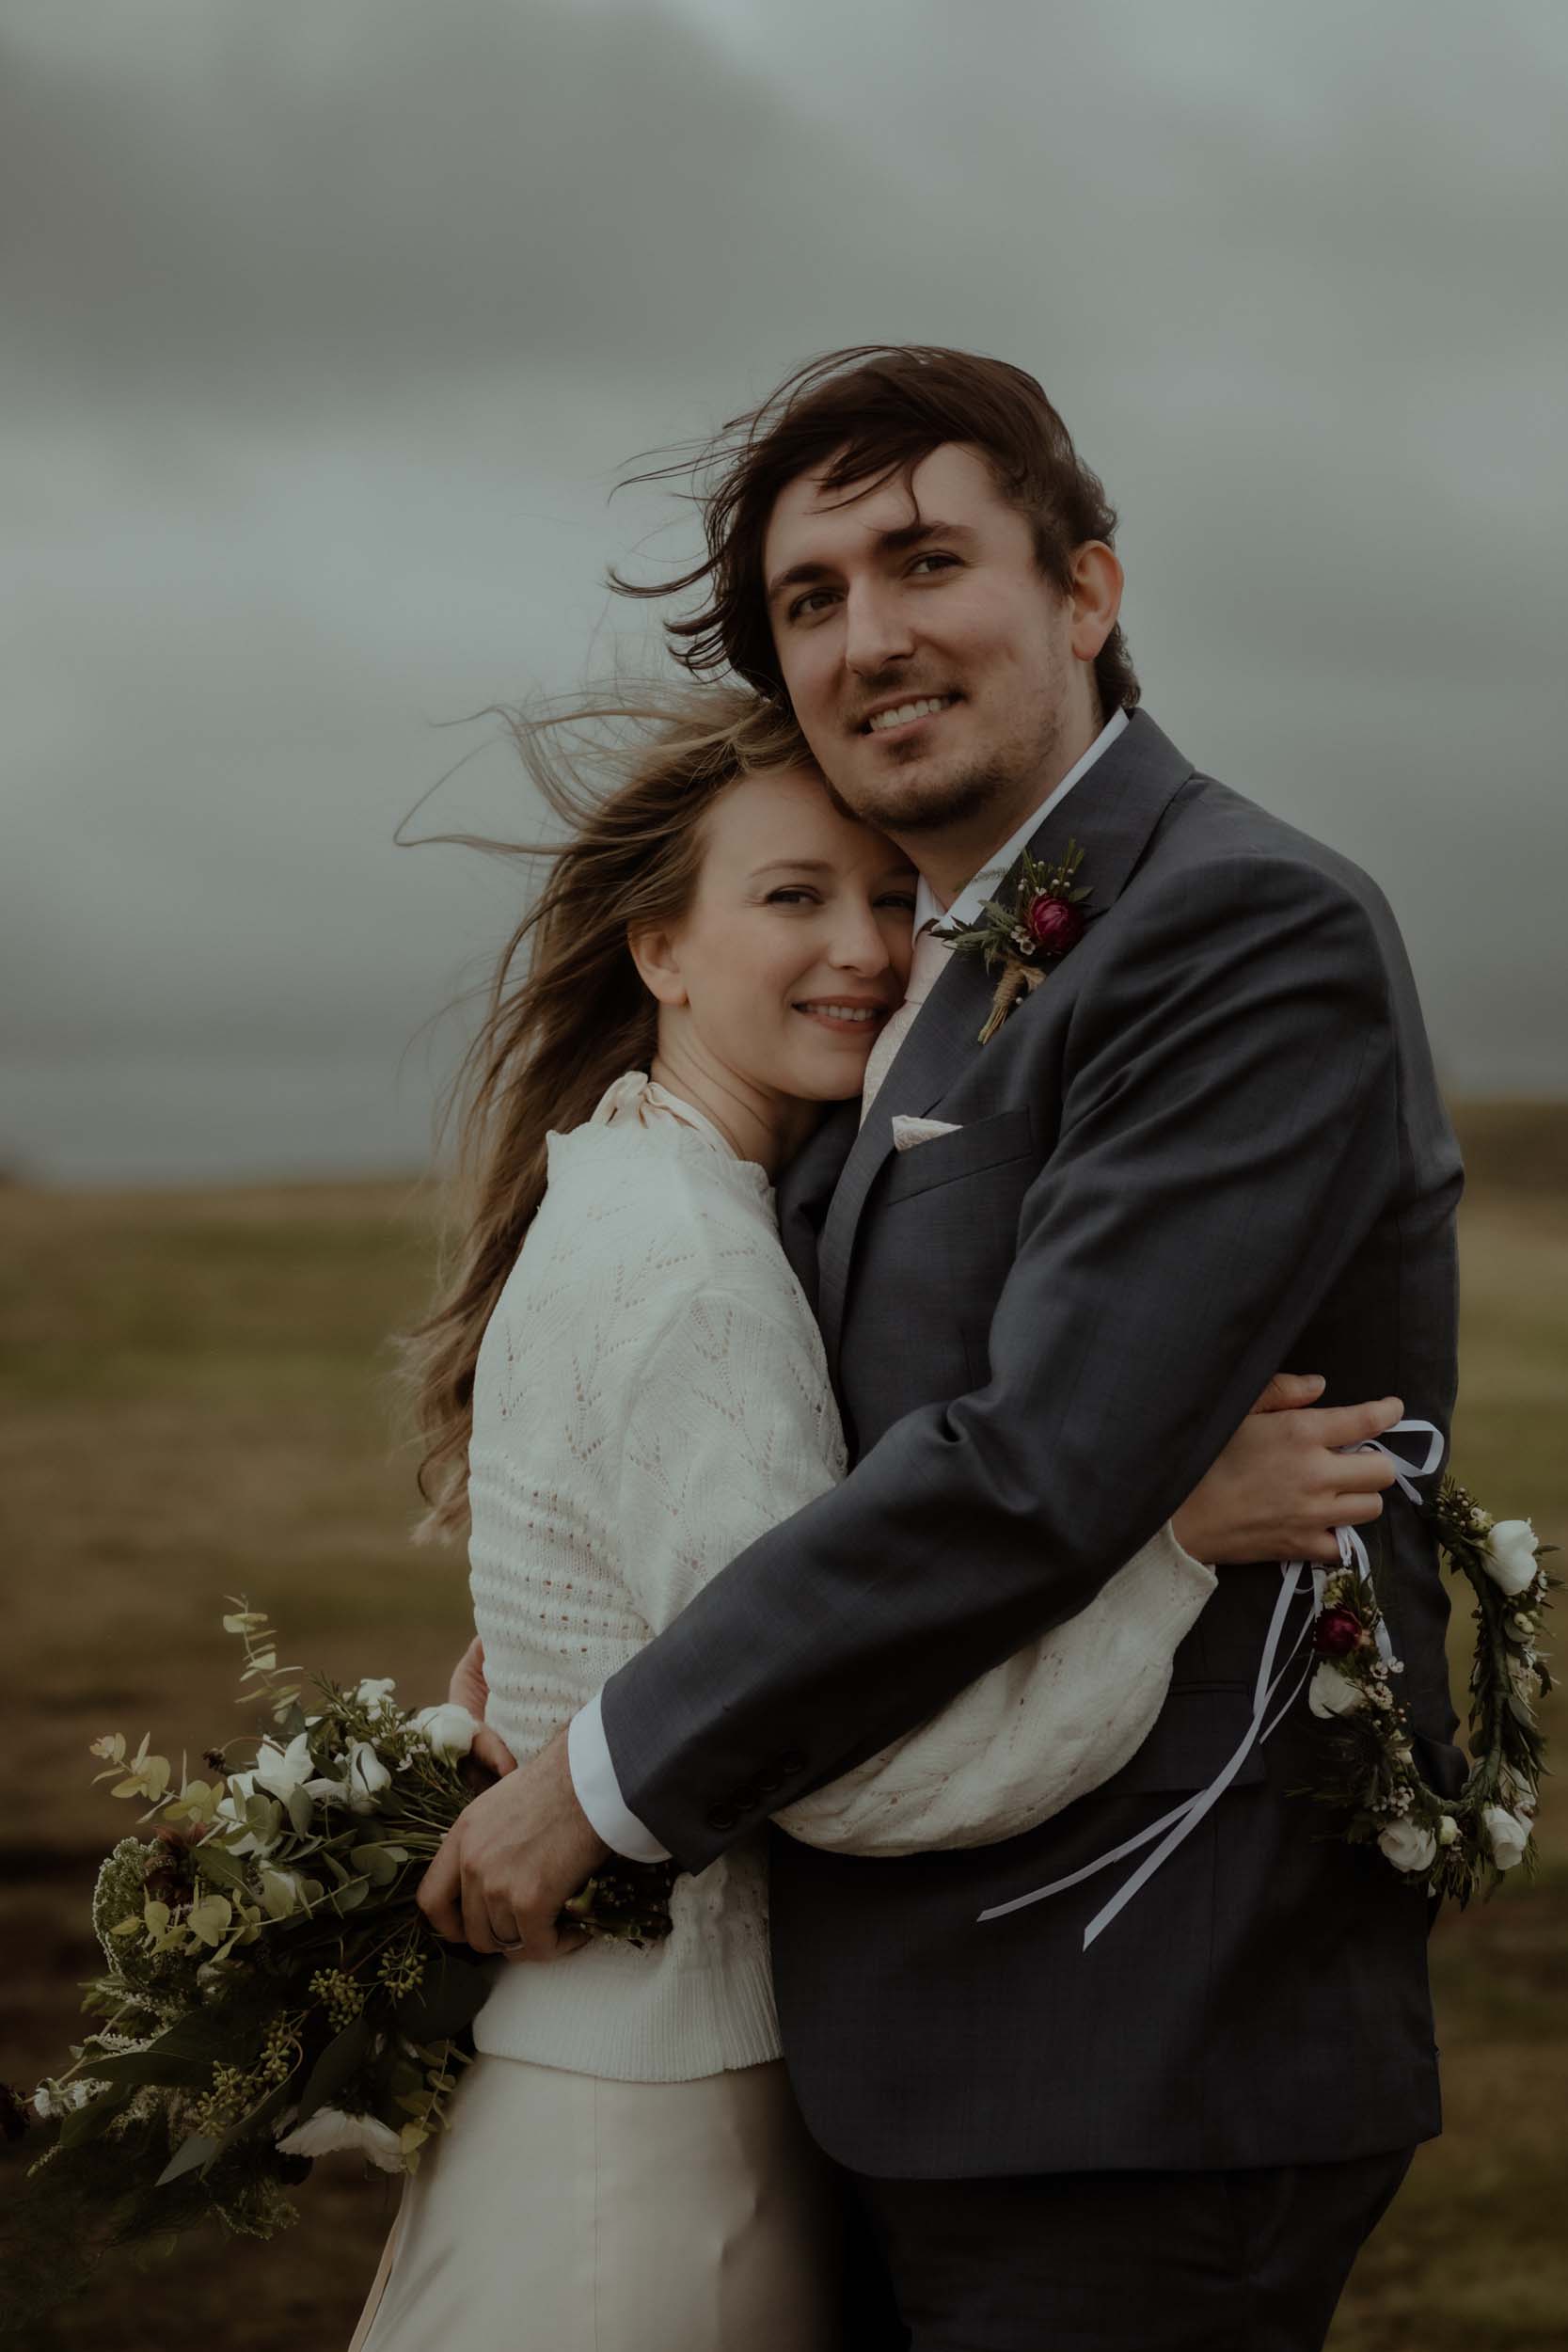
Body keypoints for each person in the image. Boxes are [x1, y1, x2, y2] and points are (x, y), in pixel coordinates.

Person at [423, 348, 1465, 2351]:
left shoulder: (1241, 928)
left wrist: (614, 1765)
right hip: (907, 2041)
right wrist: (600, 1648)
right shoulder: (949, 962)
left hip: (1128, 2044)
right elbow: (796, 1427)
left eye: (921, 560)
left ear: (1087, 590)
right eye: (812, 599)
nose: (868, 633)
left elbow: (1029, 1464)